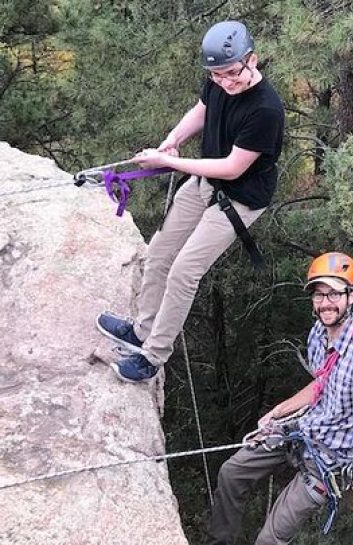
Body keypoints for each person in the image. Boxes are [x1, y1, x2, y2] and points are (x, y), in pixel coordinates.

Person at [188, 252, 353, 545]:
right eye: (319, 294)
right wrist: (280, 411)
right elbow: (319, 385)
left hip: (330, 462)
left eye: (334, 294)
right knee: (232, 472)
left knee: (270, 539)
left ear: (351, 297)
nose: (325, 302)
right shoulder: (318, 333)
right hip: (303, 432)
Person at [95, 20, 285, 383]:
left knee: (184, 271)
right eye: (217, 75)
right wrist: (172, 139)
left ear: (252, 61)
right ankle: (140, 331)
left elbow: (232, 167)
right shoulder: (217, 82)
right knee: (159, 253)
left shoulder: (266, 110)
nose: (225, 82)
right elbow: (201, 110)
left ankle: (152, 358)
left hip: (240, 198)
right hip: (203, 183)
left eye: (232, 73)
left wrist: (168, 162)